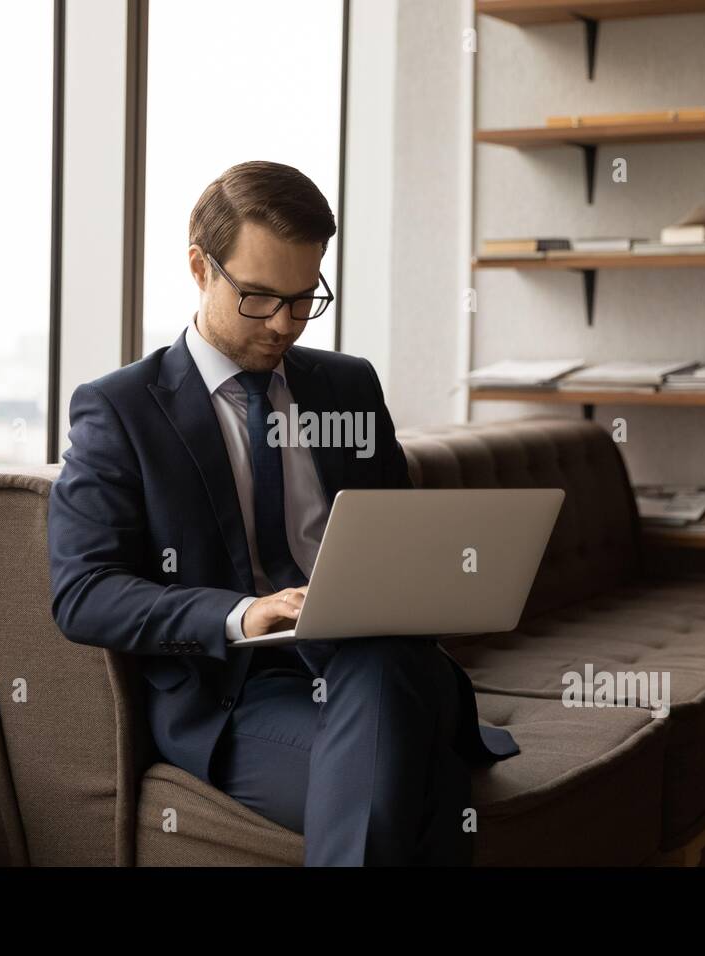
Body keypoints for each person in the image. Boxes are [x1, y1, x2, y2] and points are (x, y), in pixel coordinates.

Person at [48, 160, 519, 866]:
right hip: (237, 698)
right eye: (261, 297)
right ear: (200, 268)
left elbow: (398, 541)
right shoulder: (121, 410)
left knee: (384, 664)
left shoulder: (347, 387)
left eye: (304, 300)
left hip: (377, 663)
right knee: (419, 782)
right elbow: (83, 594)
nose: (283, 324)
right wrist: (243, 613)